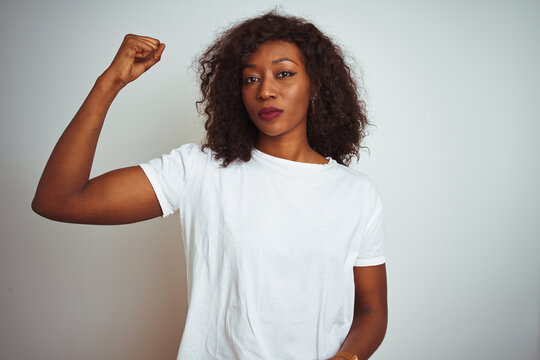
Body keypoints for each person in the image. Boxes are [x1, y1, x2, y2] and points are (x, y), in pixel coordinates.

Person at [32, 10, 387, 360]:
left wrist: (346, 358)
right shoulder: (201, 169)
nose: (266, 91)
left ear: (316, 86)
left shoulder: (356, 193)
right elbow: (58, 200)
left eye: (284, 74)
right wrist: (109, 83)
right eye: (251, 79)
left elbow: (371, 310)